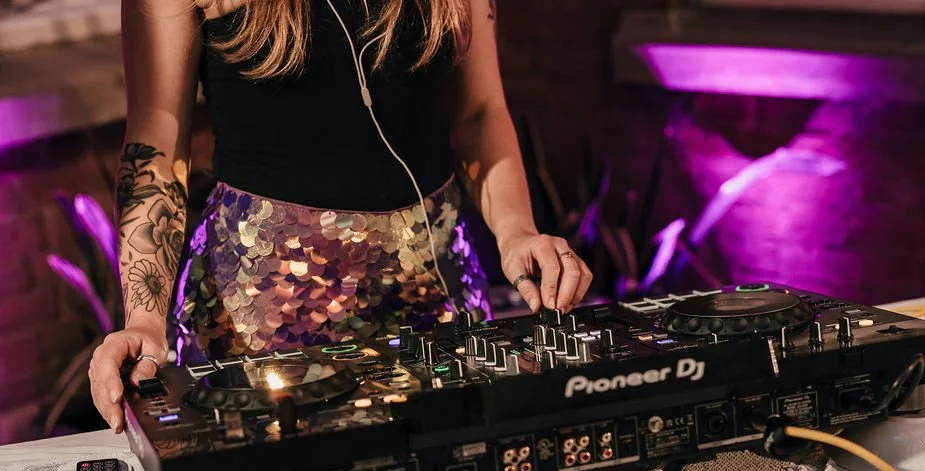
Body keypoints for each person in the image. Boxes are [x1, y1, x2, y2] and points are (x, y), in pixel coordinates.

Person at [89, 0, 592, 433]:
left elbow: (479, 110)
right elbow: (157, 143)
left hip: (435, 287)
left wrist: (516, 231)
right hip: (261, 311)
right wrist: (145, 320)